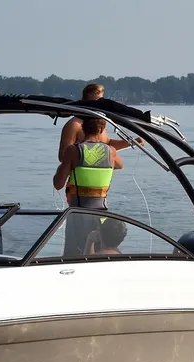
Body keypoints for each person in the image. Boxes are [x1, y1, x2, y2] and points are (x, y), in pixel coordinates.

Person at [53, 117, 124, 255]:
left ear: (83, 128)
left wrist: (66, 167)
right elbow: (120, 165)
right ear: (101, 130)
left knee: (74, 256)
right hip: (102, 215)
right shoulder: (111, 152)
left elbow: (58, 184)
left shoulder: (73, 150)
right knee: (99, 255)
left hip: (78, 215)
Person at [57, 83, 143, 162]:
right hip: (81, 171)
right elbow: (63, 156)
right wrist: (88, 157)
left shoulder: (100, 122)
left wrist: (133, 142)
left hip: (101, 171)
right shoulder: (74, 125)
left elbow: (108, 143)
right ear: (89, 97)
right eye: (99, 101)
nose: (101, 104)